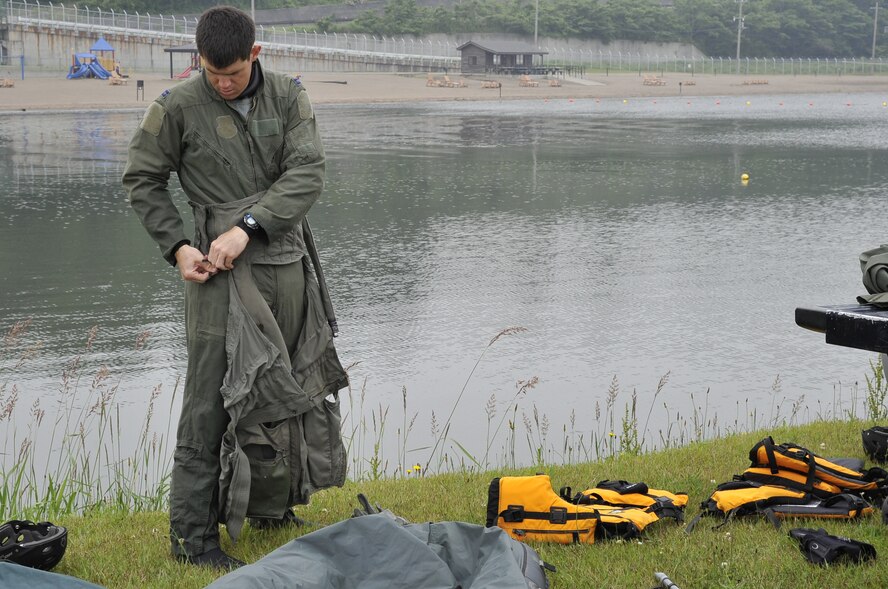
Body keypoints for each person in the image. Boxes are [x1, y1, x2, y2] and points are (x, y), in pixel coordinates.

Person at [123, 6, 348, 570]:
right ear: (198, 61)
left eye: (233, 74)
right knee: (208, 402)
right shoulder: (175, 106)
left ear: (255, 54)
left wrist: (247, 228)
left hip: (287, 262)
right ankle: (193, 538)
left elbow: (307, 172)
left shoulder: (290, 98)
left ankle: (272, 508)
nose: (223, 84)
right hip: (215, 276)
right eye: (211, 73)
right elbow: (142, 178)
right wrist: (177, 247)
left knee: (289, 385)